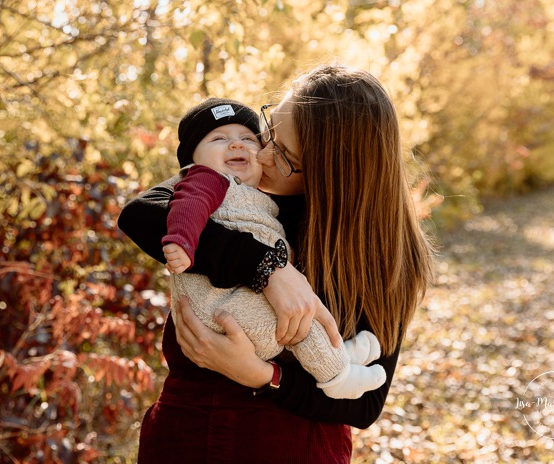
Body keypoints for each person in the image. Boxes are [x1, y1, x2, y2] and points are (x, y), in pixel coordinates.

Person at [118, 64, 434, 464]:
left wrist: (263, 376)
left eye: (283, 154)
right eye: (268, 133)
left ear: (327, 174)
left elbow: (364, 405)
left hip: (290, 442)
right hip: (186, 427)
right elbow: (140, 214)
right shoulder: (233, 187)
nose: (261, 154)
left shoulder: (383, 255)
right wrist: (268, 268)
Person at [160, 97, 386, 399]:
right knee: (294, 319)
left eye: (248, 139)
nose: (243, 147)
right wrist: (183, 242)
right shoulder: (205, 181)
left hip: (242, 326)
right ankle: (337, 374)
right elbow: (163, 210)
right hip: (223, 310)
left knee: (296, 316)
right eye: (219, 139)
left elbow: (366, 409)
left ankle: (336, 358)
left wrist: (264, 375)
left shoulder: (270, 201)